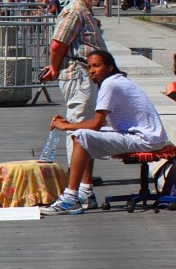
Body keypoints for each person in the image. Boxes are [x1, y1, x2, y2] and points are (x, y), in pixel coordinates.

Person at [41, 49, 168, 215]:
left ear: (109, 68)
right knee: (84, 135)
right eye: (89, 67)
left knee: (81, 136)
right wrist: (71, 124)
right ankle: (85, 192)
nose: (92, 71)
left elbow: (95, 124)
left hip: (145, 139)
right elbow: (99, 125)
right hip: (149, 136)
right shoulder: (117, 81)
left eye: (97, 66)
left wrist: (65, 126)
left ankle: (70, 199)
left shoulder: (110, 84)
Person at [39, 0, 107, 168]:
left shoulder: (84, 10)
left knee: (86, 128)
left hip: (86, 77)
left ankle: (81, 177)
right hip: (78, 76)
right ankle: (75, 181)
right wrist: (53, 68)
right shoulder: (74, 11)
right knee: (79, 127)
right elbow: (57, 45)